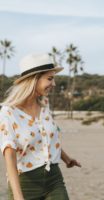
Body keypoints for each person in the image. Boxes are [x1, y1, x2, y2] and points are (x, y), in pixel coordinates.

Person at [0, 53, 81, 200]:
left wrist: (67, 159)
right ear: (34, 80)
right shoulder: (8, 112)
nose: (54, 84)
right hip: (26, 183)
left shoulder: (44, 106)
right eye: (50, 79)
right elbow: (9, 156)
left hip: (54, 178)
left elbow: (45, 139)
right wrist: (18, 197)